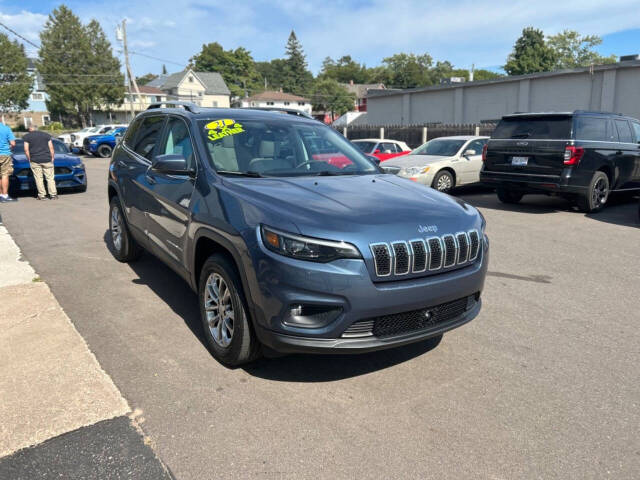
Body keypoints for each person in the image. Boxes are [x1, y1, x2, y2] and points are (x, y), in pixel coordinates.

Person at [23, 124, 57, 200]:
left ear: (30, 129)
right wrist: (52, 157)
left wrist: (29, 158)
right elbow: (51, 147)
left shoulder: (27, 136)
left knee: (39, 178)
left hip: (35, 160)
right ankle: (53, 195)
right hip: (47, 159)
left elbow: (26, 149)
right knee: (50, 178)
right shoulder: (46, 135)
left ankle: (42, 195)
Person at [0, 119, 16, 202]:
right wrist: (10, 147)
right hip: (4, 154)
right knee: (5, 174)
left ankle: (0, 194)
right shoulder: (6, 128)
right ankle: (5, 195)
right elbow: (13, 143)